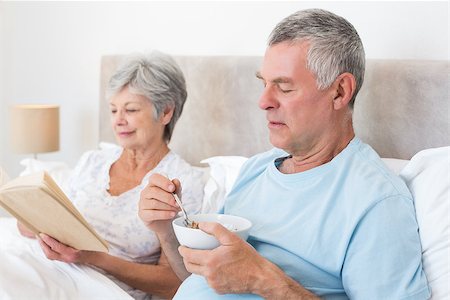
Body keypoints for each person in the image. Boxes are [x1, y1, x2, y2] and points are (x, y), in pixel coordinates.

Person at [138, 9, 431, 299]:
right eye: (263, 84)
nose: (263, 101)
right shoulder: (254, 170)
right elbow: (202, 278)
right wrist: (165, 230)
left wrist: (267, 281)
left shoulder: (376, 201)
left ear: (340, 92)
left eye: (284, 87)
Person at [17, 52, 205, 300]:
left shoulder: (181, 182)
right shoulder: (92, 162)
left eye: (131, 109)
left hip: (101, 289)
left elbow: (173, 283)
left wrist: (91, 257)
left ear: (166, 112)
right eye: (114, 110)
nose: (118, 120)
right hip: (51, 270)